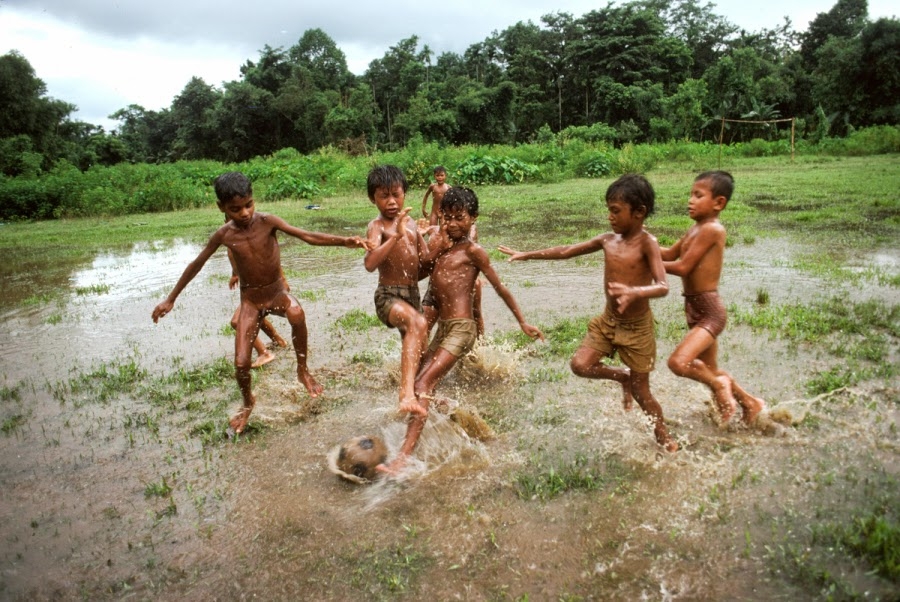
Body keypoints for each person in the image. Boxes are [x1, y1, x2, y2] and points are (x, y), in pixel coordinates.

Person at [152, 171, 370, 434]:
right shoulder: (223, 235)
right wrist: (170, 299)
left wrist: (345, 241)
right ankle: (247, 403)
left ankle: (302, 370)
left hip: (277, 293)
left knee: (297, 313)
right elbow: (196, 264)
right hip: (251, 302)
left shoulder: (268, 221)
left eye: (248, 205)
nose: (244, 213)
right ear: (221, 208)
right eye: (235, 209)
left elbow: (307, 236)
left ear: (253, 200)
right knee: (241, 363)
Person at [499, 174, 678, 452]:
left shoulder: (648, 244)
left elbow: (663, 286)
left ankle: (662, 433)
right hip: (609, 321)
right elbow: (567, 251)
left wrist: (635, 292)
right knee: (580, 365)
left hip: (637, 328)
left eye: (616, 211)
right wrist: (527, 253)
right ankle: (622, 376)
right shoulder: (608, 240)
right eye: (609, 210)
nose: (610, 217)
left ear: (639, 212)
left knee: (643, 394)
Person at [379, 186, 545, 474]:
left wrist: (522, 322)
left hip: (462, 329)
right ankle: (449, 414)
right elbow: (421, 270)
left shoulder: (473, 251)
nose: (453, 224)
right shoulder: (443, 244)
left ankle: (402, 458)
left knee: (421, 385)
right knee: (420, 379)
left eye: (459, 218)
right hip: (445, 328)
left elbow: (500, 287)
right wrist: (430, 247)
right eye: (447, 218)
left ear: (473, 218)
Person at [660, 170, 765, 426]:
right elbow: (670, 254)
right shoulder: (694, 229)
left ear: (719, 203)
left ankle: (721, 386)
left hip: (709, 311)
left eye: (698, 195)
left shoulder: (712, 229)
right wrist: (641, 244)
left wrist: (647, 264)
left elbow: (683, 267)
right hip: (693, 308)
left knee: (678, 362)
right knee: (710, 370)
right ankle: (751, 403)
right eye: (690, 194)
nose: (690, 200)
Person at [364, 165, 430, 418]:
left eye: (396, 194)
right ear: (373, 199)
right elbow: (370, 264)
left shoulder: (411, 222)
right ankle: (405, 394)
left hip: (412, 295)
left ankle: (416, 394)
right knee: (417, 322)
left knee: (419, 349)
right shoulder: (377, 226)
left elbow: (425, 261)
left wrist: (440, 238)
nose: (391, 201)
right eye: (384, 196)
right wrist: (394, 237)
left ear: (404, 194)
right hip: (388, 296)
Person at [224, 218, 288, 368]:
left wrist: (282, 280)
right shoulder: (230, 242)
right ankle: (279, 341)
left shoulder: (253, 242)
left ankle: (264, 353)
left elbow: (272, 262)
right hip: (252, 291)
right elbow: (237, 263)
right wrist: (235, 275)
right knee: (256, 315)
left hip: (263, 288)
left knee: (237, 321)